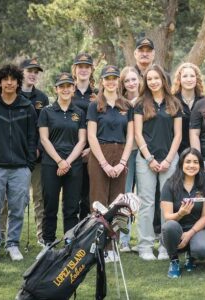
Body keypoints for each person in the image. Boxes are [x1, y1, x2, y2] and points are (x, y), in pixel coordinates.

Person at [0, 64, 37, 262]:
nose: (9, 82)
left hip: (20, 168)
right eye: (5, 79)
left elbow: (32, 138)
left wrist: (29, 165)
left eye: (13, 79)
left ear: (18, 82)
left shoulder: (27, 107)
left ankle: (12, 244)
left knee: (17, 208)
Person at [134, 64, 182, 261]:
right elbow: (137, 133)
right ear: (146, 82)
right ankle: (145, 245)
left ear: (163, 79)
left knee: (166, 204)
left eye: (156, 78)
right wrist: (150, 158)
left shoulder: (174, 103)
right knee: (146, 203)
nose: (153, 82)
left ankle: (164, 245)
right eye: (149, 79)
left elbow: (178, 135)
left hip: (170, 158)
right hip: (146, 159)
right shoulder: (140, 103)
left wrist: (169, 160)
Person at [87, 65, 135, 261]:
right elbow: (91, 135)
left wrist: (122, 162)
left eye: (114, 78)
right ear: (102, 81)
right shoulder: (94, 105)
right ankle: (99, 246)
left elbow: (130, 136)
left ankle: (112, 245)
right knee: (99, 202)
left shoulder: (126, 106)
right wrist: (105, 164)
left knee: (118, 204)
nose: (111, 81)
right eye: (107, 78)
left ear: (118, 81)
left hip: (121, 153)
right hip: (100, 154)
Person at [38, 73, 87, 248]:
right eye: (61, 86)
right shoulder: (47, 111)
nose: (65, 89)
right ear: (56, 89)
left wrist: (67, 162)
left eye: (68, 86)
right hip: (51, 164)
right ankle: (48, 243)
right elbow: (44, 139)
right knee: (50, 205)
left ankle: (69, 242)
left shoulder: (79, 113)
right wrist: (60, 161)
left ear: (73, 88)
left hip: (74, 165)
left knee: (71, 207)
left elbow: (82, 140)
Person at [160, 148, 205, 278]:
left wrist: (190, 234)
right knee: (169, 226)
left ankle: (191, 255)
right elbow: (167, 217)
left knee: (204, 250)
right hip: (175, 228)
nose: (191, 165)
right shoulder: (169, 184)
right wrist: (181, 213)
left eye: (195, 162)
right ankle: (174, 260)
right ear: (181, 163)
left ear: (200, 165)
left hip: (197, 229)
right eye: (188, 161)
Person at [19, 58, 49, 245]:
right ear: (20, 72)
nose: (33, 74)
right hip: (16, 157)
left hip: (37, 157)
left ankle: (42, 237)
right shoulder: (12, 93)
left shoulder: (42, 98)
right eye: (29, 70)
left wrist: (38, 149)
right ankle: (7, 237)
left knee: (39, 197)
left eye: (36, 72)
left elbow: (44, 127)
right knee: (14, 198)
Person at [71, 52, 97, 220]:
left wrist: (91, 149)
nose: (83, 70)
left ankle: (85, 234)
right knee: (72, 197)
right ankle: (72, 235)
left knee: (88, 196)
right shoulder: (66, 91)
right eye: (80, 67)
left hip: (91, 152)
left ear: (91, 70)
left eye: (87, 67)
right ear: (75, 69)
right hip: (70, 150)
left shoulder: (97, 94)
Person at [119, 66, 141, 252]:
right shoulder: (120, 102)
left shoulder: (146, 100)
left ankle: (144, 239)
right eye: (127, 80)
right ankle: (123, 239)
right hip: (126, 153)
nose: (131, 83)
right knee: (126, 196)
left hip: (142, 152)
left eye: (134, 79)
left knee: (144, 196)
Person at [171, 62, 205, 154]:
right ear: (179, 79)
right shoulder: (172, 101)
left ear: (197, 79)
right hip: (176, 152)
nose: (189, 79)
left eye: (192, 76)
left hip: (200, 151)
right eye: (185, 76)